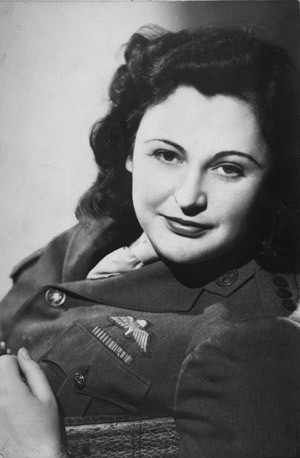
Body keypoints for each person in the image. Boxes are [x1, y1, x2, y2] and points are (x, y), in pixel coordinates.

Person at [0, 24, 300, 458]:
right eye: (167, 155)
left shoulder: (256, 345)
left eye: (229, 168)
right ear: (128, 151)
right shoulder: (93, 238)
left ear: (272, 182)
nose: (188, 198)